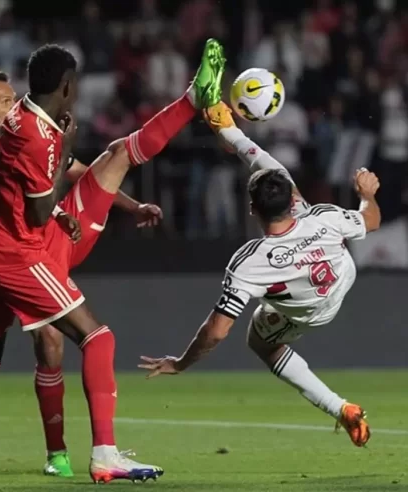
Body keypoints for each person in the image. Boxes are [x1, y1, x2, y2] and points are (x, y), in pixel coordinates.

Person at [0, 39, 226, 485]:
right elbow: (30, 197)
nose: (9, 99)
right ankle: (102, 454)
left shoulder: (18, 123)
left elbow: (35, 183)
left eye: (11, 94)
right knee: (97, 338)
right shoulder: (30, 138)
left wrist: (104, 201)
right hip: (21, 253)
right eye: (1, 97)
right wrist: (59, 159)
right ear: (69, 87)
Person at [138, 102, 381, 448]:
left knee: (260, 339)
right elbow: (371, 220)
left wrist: (181, 363)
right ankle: (341, 409)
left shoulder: (250, 262)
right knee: (292, 196)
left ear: (252, 209)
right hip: (341, 274)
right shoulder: (322, 215)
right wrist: (366, 196)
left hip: (311, 310)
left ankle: (339, 407)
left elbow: (217, 331)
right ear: (288, 194)